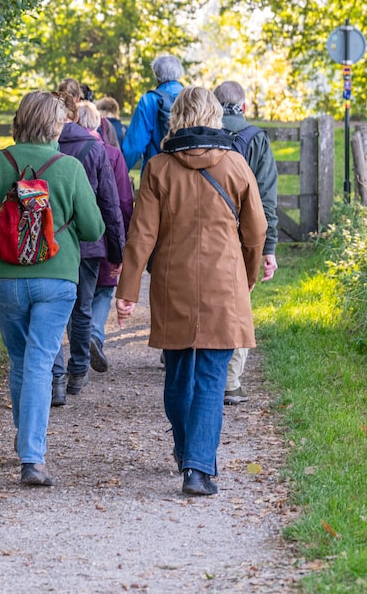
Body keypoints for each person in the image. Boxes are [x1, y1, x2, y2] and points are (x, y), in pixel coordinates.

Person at [115, 86, 266, 496]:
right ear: (215, 116)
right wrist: (247, 278)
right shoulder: (235, 165)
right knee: (213, 377)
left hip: (172, 284)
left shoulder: (159, 169)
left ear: (176, 117)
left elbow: (141, 234)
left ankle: (187, 453)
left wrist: (127, 289)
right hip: (224, 285)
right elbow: (256, 231)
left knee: (179, 374)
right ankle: (198, 469)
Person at [0, 91, 105, 487]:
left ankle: (26, 444)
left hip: (6, 279)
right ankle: (32, 458)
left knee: (21, 359)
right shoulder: (70, 167)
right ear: (54, 125)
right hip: (57, 280)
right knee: (41, 359)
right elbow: (94, 230)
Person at [50, 83, 125, 406]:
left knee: (51, 310)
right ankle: (78, 370)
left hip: (50, 242)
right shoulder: (95, 149)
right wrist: (117, 250)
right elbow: (110, 203)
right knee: (82, 309)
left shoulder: (47, 147)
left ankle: (55, 377)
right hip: (89, 244)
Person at [212, 81, 280, 405]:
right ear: (244, 106)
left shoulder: (199, 133)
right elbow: (266, 196)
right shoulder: (256, 138)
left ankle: (200, 370)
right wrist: (269, 248)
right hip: (243, 236)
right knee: (238, 304)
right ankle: (230, 381)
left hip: (204, 232)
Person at [74, 101, 133, 373]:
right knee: (104, 289)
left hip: (69, 240)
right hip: (102, 237)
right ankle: (95, 335)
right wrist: (122, 245)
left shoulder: (60, 150)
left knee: (76, 294)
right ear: (99, 125)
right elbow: (121, 201)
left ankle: (80, 344)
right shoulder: (111, 154)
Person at [121, 55, 185, 172]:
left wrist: (120, 172)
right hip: (188, 173)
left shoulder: (148, 100)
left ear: (156, 75)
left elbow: (135, 145)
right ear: (180, 73)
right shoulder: (192, 98)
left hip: (156, 172)